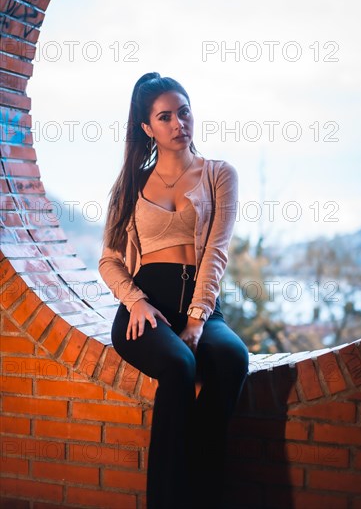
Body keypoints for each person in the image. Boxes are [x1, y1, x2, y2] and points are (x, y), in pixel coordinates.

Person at [98, 72, 249, 509]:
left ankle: (200, 490)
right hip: (147, 309)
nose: (178, 123)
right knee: (180, 364)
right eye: (165, 117)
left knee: (232, 356)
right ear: (148, 128)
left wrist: (200, 319)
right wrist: (136, 301)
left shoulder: (219, 174)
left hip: (200, 306)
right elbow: (109, 260)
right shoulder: (129, 185)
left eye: (184, 112)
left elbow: (216, 253)